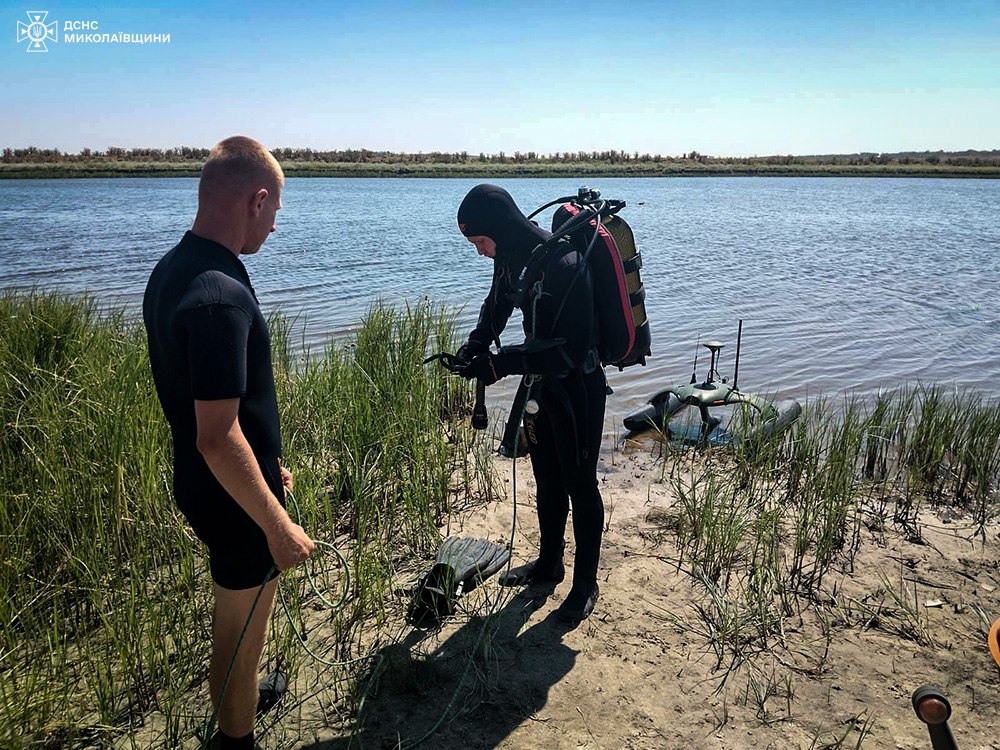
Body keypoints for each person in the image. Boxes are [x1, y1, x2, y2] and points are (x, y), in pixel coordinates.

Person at [143, 136, 314, 750]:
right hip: (230, 498)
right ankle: (235, 739)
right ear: (257, 199)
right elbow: (217, 437)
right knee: (239, 634)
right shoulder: (220, 296)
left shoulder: (174, 269)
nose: (272, 227)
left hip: (212, 483)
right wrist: (276, 523)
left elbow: (216, 408)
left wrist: (270, 465)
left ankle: (240, 698)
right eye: (274, 213)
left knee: (241, 623)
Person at [455, 183, 606, 622]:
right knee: (546, 479)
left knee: (580, 484)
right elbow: (497, 305)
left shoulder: (564, 263)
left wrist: (503, 363)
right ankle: (549, 563)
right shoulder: (510, 258)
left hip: (578, 387)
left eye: (481, 242)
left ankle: (584, 585)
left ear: (498, 228)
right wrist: (476, 345)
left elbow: (572, 351)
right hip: (542, 386)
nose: (481, 252)